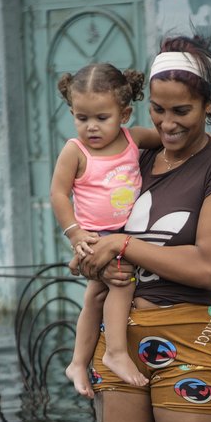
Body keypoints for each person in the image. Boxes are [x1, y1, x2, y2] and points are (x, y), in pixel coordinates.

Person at [76, 30, 211, 422]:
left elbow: (206, 267)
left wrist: (122, 245)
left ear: (209, 103)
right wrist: (93, 259)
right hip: (118, 339)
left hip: (189, 336)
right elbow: (97, 231)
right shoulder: (138, 158)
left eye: (182, 111)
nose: (168, 123)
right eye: (158, 108)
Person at [51, 63, 149, 396]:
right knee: (121, 283)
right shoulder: (74, 151)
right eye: (82, 118)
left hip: (125, 233)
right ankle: (115, 353)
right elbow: (58, 193)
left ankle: (78, 362)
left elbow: (169, 140)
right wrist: (74, 233)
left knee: (95, 298)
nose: (91, 127)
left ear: (124, 114)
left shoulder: (132, 140)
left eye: (101, 118)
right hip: (93, 236)